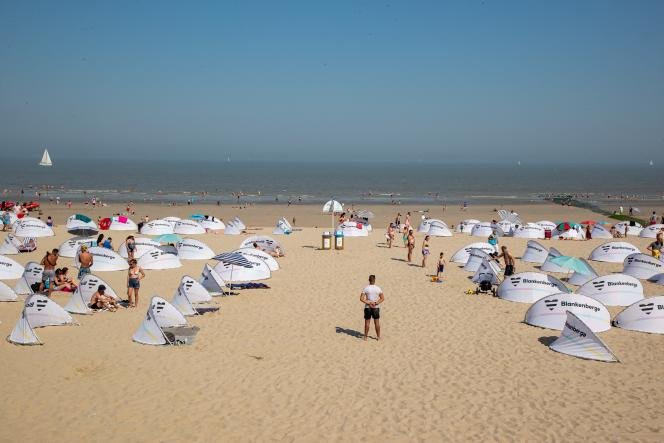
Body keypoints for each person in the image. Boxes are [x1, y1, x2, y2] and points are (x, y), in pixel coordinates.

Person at [360, 275, 384, 341]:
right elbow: (382, 298)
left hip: (368, 307)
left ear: (369, 280)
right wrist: (376, 303)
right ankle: (378, 337)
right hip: (376, 307)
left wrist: (368, 303)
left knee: (367, 323)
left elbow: (361, 299)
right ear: (375, 280)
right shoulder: (378, 288)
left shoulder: (366, 288)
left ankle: (365, 337)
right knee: (377, 323)